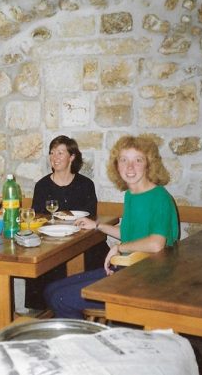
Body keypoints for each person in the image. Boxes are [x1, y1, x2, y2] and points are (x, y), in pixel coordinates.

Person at [44, 134, 179, 319]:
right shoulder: (132, 195)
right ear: (116, 165)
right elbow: (130, 234)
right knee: (51, 289)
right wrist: (97, 225)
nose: (130, 167)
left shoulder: (159, 197)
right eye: (124, 160)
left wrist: (119, 247)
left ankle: (82, 345)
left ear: (149, 164)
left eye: (137, 160)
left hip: (148, 279)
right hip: (127, 269)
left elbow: (156, 243)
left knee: (61, 298)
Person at [25, 135, 99, 310]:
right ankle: (41, 310)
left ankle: (77, 305)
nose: (54, 158)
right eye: (52, 153)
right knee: (38, 261)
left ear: (72, 157)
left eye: (60, 153)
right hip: (50, 242)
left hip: (80, 242)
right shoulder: (42, 185)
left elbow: (92, 216)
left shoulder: (85, 184)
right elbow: (37, 217)